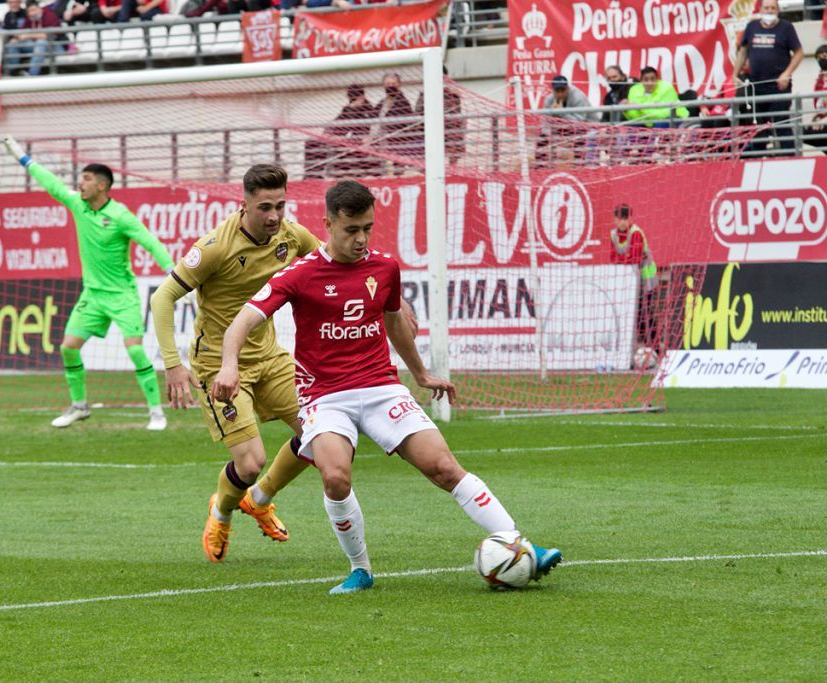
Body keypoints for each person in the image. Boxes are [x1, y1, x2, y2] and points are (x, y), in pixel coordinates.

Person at [212, 180, 563, 595]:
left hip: (381, 387)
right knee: (336, 478)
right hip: (324, 397)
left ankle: (520, 546)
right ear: (327, 224)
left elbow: (395, 322)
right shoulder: (299, 275)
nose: (361, 239)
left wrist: (420, 373)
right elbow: (242, 321)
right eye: (351, 230)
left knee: (444, 468)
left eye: (367, 228)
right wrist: (229, 366)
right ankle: (360, 569)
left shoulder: (385, 268)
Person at [149, 165, 323, 563]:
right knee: (250, 462)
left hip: (271, 358)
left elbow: (330, 265)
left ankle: (260, 500)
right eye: (265, 207)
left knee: (323, 435)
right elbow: (162, 299)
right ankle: (222, 511)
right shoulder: (214, 247)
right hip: (218, 366)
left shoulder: (291, 236)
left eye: (280, 205)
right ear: (242, 204)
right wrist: (173, 365)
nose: (275, 216)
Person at [3, 136, 174, 430]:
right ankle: (79, 406)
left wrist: (172, 270)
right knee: (68, 347)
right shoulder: (77, 204)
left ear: (102, 186)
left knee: (134, 349)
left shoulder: (120, 216)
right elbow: (51, 183)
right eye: (81, 178)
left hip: (123, 295)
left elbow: (150, 242)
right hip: (92, 296)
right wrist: (23, 158)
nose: (80, 183)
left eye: (87, 179)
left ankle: (157, 412)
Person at [733, 0, 804, 155]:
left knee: (781, 125)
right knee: (758, 128)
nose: (770, 10)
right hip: (756, 86)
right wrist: (735, 73)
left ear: (778, 10)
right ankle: (758, 161)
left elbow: (799, 53)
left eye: (773, 7)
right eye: (767, 7)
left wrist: (787, 73)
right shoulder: (752, 27)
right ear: (760, 9)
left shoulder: (786, 28)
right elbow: (743, 51)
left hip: (779, 86)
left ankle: (792, 160)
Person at [609, 203, 658, 352]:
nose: (623, 222)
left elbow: (635, 259)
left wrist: (623, 259)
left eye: (626, 218)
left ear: (631, 219)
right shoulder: (613, 235)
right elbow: (612, 258)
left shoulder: (636, 233)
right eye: (619, 218)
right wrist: (625, 258)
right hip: (629, 280)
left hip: (645, 278)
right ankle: (642, 347)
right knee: (633, 315)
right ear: (614, 219)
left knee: (645, 314)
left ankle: (655, 348)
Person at [306, 84, 381, 178]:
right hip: (344, 143)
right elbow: (335, 125)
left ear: (362, 97)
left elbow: (367, 135)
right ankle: (312, 176)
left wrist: (345, 138)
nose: (353, 102)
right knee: (312, 142)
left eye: (356, 98)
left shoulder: (369, 111)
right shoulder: (347, 110)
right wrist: (329, 134)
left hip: (359, 145)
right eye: (351, 99)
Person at [375, 73, 420, 174]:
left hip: (398, 143)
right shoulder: (382, 102)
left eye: (393, 83)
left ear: (399, 85)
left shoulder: (403, 103)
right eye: (388, 83)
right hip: (382, 141)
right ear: (383, 85)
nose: (390, 86)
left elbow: (401, 125)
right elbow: (372, 114)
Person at [5, 1, 61, 76]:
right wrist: (16, 38)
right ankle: (15, 73)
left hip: (54, 46)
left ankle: (31, 75)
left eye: (34, 10)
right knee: (12, 44)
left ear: (39, 9)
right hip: (35, 45)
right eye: (29, 11)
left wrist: (28, 35)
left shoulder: (49, 15)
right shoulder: (29, 18)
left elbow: (49, 36)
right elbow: (22, 31)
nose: (32, 13)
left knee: (41, 43)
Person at [624, 67, 689, 128]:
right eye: (646, 80)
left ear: (657, 79)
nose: (650, 83)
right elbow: (633, 115)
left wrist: (641, 108)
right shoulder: (634, 89)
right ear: (641, 81)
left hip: (675, 118)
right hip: (648, 123)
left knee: (659, 125)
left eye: (653, 79)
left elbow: (666, 113)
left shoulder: (666, 87)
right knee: (629, 127)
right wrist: (625, 110)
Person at [803, 45, 827, 153]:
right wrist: (814, 116)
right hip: (822, 118)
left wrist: (824, 120)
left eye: (824, 56)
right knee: (805, 131)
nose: (821, 60)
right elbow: (820, 103)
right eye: (819, 58)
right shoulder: (821, 78)